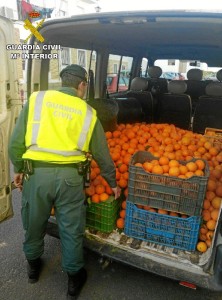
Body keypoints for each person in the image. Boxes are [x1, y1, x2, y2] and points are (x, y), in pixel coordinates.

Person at [8, 64, 120, 299]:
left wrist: (19, 168)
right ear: (82, 85)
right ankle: (73, 280)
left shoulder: (37, 100)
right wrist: (112, 183)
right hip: (71, 179)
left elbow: (16, 142)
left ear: (62, 81)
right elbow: (102, 154)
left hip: (36, 176)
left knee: (34, 221)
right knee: (70, 228)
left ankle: (33, 267)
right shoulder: (88, 113)